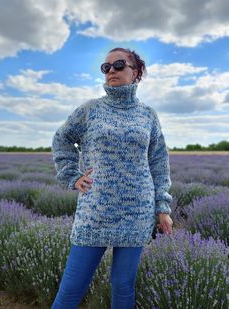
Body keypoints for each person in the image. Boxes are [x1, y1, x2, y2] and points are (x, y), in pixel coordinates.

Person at [51, 47, 173, 309]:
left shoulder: (148, 115)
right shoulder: (90, 110)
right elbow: (61, 139)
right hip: (95, 212)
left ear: (136, 72)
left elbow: (159, 162)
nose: (111, 71)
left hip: (136, 212)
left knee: (123, 286)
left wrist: (162, 207)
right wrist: (71, 175)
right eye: (105, 67)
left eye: (118, 65)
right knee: (71, 289)